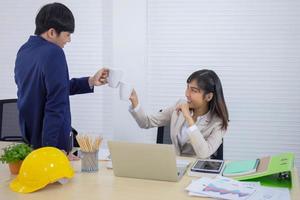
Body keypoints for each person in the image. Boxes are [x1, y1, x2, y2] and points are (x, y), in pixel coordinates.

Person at [14, 3, 108, 159]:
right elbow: (55, 105)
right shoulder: (54, 52)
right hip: (51, 146)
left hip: (31, 141)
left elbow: (46, 89)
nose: (69, 40)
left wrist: (90, 81)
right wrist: (51, 152)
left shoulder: (24, 51)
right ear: (52, 32)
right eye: (67, 34)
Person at [129, 69, 229, 158]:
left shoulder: (218, 123)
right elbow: (146, 122)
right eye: (187, 88)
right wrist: (135, 101)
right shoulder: (179, 105)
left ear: (208, 97)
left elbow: (203, 153)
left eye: (193, 91)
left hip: (197, 173)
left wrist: (188, 118)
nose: (187, 94)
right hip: (173, 167)